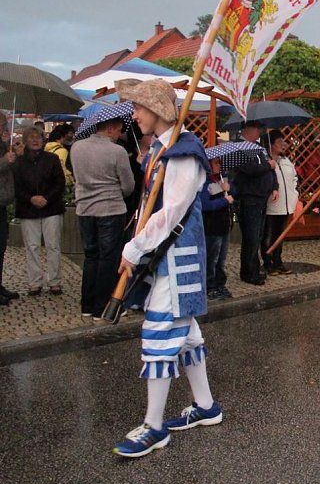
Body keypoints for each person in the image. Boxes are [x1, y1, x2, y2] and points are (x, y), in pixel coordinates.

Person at [112, 78, 221, 458]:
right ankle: (205, 406)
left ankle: (155, 427)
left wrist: (136, 246)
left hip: (179, 260)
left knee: (159, 338)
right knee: (187, 335)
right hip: (168, 258)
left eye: (139, 107)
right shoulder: (163, 149)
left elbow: (172, 212)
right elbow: (151, 208)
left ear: (158, 109)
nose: (134, 114)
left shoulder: (183, 152)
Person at [70, 117, 135, 317]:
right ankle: (103, 305)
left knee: (91, 256)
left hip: (85, 209)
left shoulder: (76, 147)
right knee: (109, 258)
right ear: (109, 129)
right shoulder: (117, 152)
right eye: (118, 131)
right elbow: (128, 186)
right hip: (110, 208)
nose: (119, 135)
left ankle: (87, 305)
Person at [12, 127, 66, 295]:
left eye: (38, 137)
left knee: (53, 246)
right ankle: (35, 282)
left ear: (43, 140)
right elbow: (16, 185)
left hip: (51, 208)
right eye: (31, 137)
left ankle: (55, 281)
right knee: (32, 246)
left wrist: (47, 198)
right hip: (28, 209)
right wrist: (30, 198)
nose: (35, 140)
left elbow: (59, 183)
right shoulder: (18, 162)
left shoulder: (52, 159)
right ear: (26, 140)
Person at [232, 120, 277, 285]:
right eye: (256, 128)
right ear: (247, 129)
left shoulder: (259, 148)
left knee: (257, 236)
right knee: (251, 237)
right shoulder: (239, 148)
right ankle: (248, 272)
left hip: (261, 198)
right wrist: (268, 165)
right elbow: (251, 169)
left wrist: (274, 186)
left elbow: (271, 168)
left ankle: (254, 268)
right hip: (249, 198)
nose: (259, 131)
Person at [262, 130, 299, 275]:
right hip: (271, 205)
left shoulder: (286, 161)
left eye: (283, 142)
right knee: (268, 235)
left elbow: (295, 178)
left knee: (280, 236)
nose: (283, 145)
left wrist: (295, 193)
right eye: (279, 142)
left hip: (286, 205)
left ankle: (278, 262)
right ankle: (268, 262)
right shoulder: (267, 162)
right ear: (270, 145)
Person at [202, 157, 234, 300]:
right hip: (212, 227)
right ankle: (210, 286)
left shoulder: (220, 180)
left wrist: (228, 188)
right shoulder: (205, 183)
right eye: (216, 163)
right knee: (212, 258)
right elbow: (205, 205)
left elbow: (234, 192)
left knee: (221, 259)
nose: (219, 165)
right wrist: (224, 200)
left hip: (224, 225)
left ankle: (220, 284)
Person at [0, 114, 19, 304]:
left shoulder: (2, 143)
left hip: (2, 203)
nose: (4, 128)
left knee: (1, 247)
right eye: (2, 124)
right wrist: (6, 160)